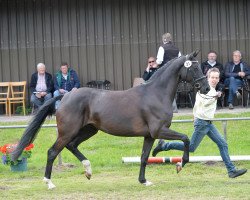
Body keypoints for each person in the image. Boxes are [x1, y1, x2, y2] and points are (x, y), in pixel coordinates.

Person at [152, 68, 247, 178]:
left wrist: (194, 115)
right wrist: (215, 97)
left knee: (222, 144)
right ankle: (164, 145)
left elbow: (196, 105)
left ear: (219, 78)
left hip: (208, 123)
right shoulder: (206, 90)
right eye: (212, 77)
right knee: (191, 147)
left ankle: (231, 171)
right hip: (202, 123)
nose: (214, 79)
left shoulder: (211, 90)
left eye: (216, 77)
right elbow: (205, 102)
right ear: (208, 77)